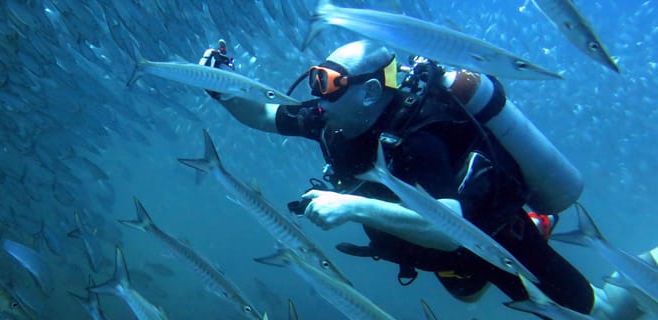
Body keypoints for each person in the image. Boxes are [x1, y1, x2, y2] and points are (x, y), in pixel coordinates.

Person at [199, 39, 640, 319]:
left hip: (495, 240)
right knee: (465, 294)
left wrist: (350, 206)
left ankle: (646, 264)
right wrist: (220, 86)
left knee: (598, 313)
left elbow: (450, 229)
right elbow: (263, 113)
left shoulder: (421, 134)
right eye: (317, 80)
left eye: (329, 83)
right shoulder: (334, 119)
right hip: (431, 253)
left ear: (370, 92)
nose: (317, 96)